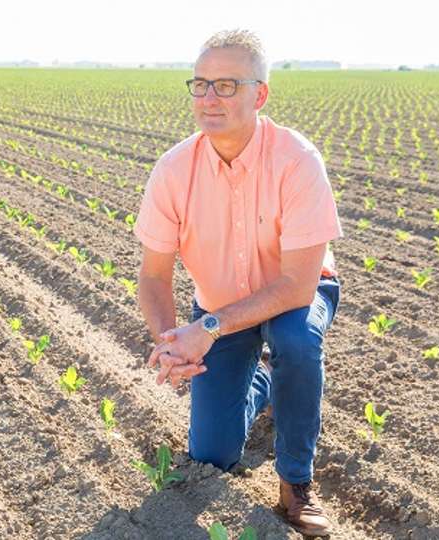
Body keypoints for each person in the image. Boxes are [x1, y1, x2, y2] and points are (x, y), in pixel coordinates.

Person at [134, 29, 343, 537]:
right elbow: (154, 275)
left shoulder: (296, 159)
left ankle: (296, 483)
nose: (209, 98)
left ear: (260, 94)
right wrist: (170, 341)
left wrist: (206, 328)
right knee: (212, 454)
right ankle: (264, 383)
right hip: (219, 306)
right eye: (200, 84)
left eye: (226, 85)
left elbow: (297, 286)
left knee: (295, 339)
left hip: (295, 295)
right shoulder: (173, 169)